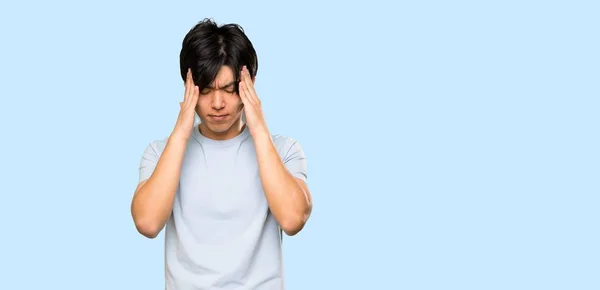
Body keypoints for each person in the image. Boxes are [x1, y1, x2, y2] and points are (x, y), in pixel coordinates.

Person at [130, 18, 313, 289]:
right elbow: (147, 223)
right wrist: (181, 131)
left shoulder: (284, 150)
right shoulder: (159, 153)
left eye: (229, 90)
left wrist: (259, 128)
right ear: (188, 85)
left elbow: (293, 219)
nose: (217, 104)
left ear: (248, 84)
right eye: (205, 91)